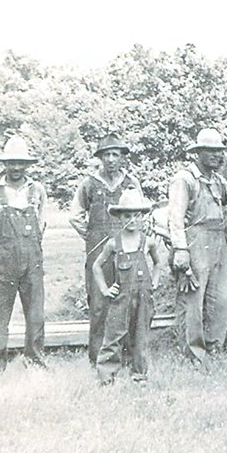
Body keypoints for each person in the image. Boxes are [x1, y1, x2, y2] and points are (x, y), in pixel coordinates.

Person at [168, 128, 227, 365]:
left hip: (218, 241)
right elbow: (175, 217)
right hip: (195, 241)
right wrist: (181, 249)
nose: (218, 156)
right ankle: (194, 352)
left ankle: (214, 347)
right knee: (194, 299)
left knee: (223, 300)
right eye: (212, 152)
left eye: (220, 152)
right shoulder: (184, 179)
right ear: (197, 153)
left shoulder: (216, 180)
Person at [69, 134, 143, 365]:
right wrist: (92, 236)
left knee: (128, 299)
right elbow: (75, 216)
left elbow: (141, 213)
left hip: (128, 248)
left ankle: (129, 355)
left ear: (122, 158)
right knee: (100, 302)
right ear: (100, 158)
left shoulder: (131, 183)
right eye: (106, 155)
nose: (111, 159)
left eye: (115, 155)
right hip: (99, 246)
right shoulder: (89, 184)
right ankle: (98, 357)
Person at [0, 135, 47, 372]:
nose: (16, 167)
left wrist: (32, 250)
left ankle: (35, 361)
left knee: (36, 315)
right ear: (4, 164)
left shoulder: (37, 190)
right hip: (3, 262)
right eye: (11, 163)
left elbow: (42, 224)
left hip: (32, 261)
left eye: (20, 162)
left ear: (27, 164)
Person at [92, 189, 160, 385]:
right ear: (120, 218)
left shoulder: (148, 242)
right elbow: (96, 266)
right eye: (127, 216)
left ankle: (139, 375)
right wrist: (105, 290)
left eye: (136, 216)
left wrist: (155, 280)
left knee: (140, 336)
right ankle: (106, 376)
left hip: (143, 297)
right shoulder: (114, 244)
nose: (132, 220)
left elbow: (157, 263)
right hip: (121, 298)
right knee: (114, 334)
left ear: (143, 218)